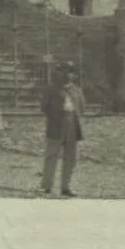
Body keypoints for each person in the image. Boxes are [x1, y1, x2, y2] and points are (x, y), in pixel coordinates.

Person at [40, 63, 86, 197]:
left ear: (74, 75)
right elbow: (44, 107)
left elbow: (81, 107)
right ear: (59, 73)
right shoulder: (51, 89)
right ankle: (47, 186)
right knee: (51, 155)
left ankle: (66, 187)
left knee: (71, 157)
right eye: (64, 71)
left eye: (70, 72)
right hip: (56, 125)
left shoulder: (77, 90)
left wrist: (74, 119)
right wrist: (55, 117)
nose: (67, 74)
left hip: (72, 125)